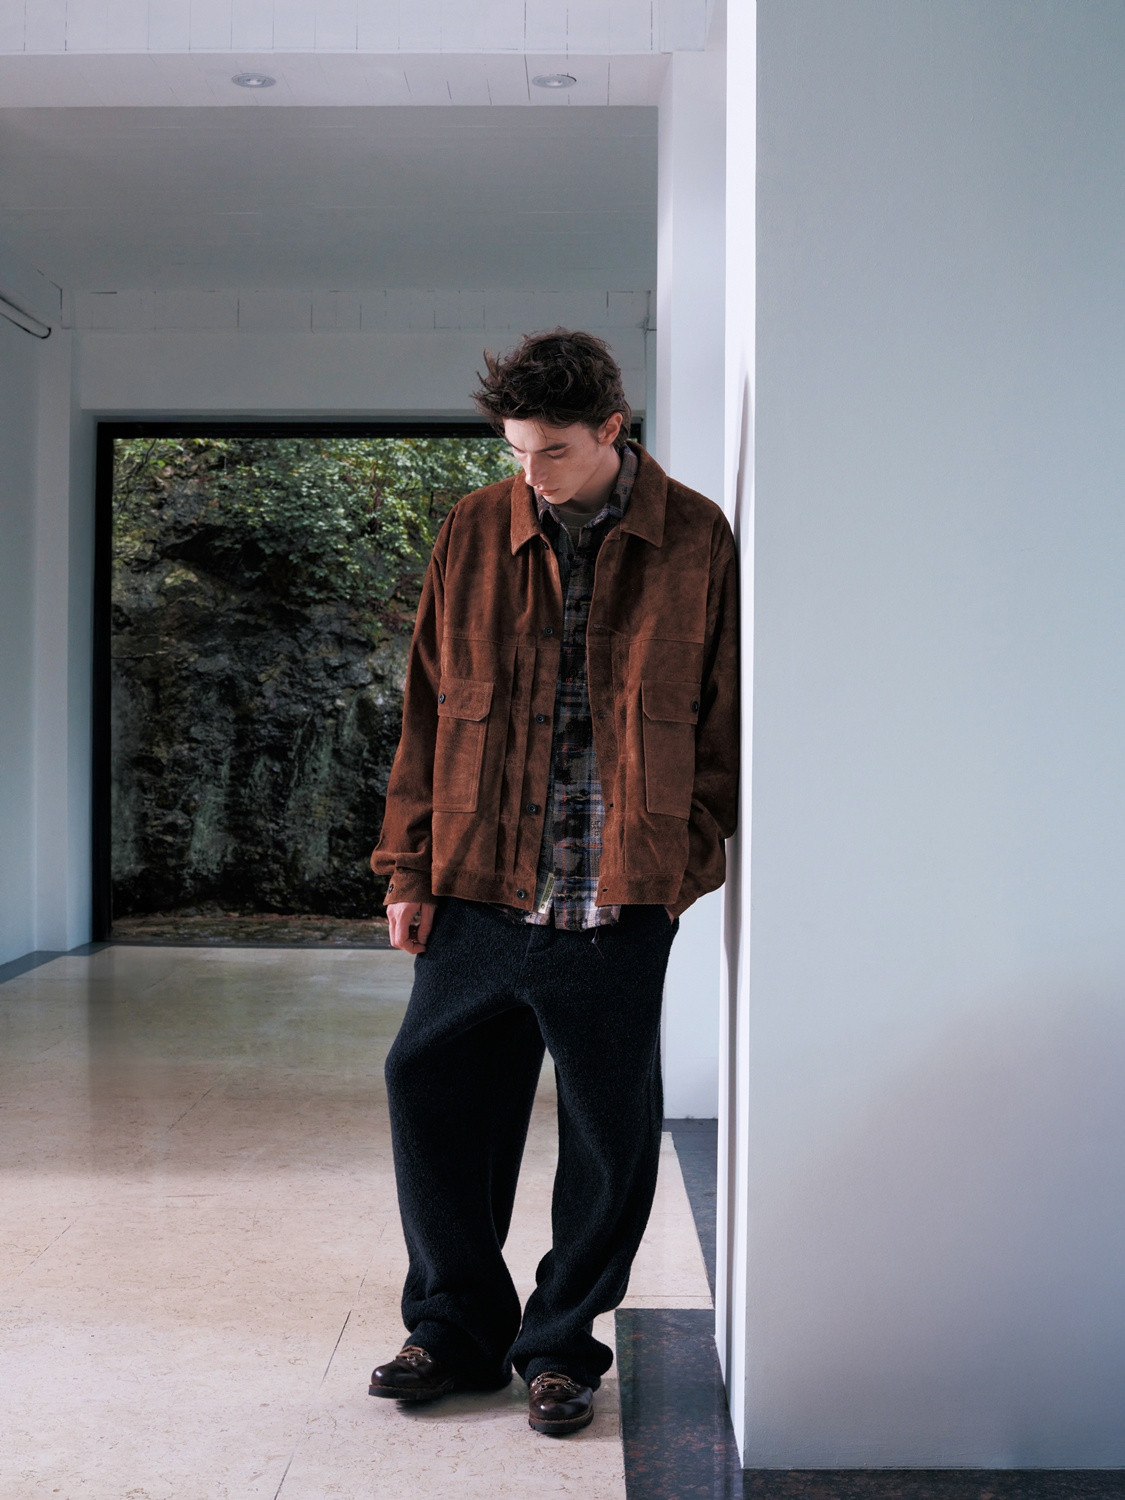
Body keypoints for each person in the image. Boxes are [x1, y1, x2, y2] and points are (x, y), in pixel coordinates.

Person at [368, 328, 739, 1436]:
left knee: (608, 1131)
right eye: (517, 450)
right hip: (478, 877)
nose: (532, 473)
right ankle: (452, 1328)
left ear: (611, 430)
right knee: (429, 1087)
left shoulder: (695, 537)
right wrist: (407, 867)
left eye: (555, 451)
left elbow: (723, 722)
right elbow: (426, 707)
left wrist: (681, 860)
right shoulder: (474, 528)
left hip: (617, 890)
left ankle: (562, 1347)